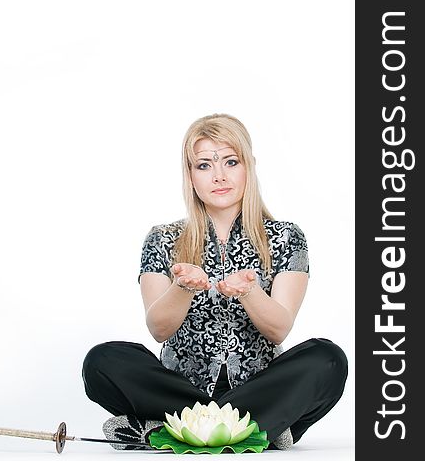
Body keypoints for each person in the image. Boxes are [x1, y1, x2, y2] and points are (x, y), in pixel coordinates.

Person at [82, 113, 348, 450]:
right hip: (180, 392)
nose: (219, 176)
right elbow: (158, 330)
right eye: (204, 165)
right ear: (190, 175)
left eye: (230, 162)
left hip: (258, 390)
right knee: (102, 361)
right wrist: (182, 289)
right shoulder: (163, 238)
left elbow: (278, 329)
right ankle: (257, 429)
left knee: (328, 359)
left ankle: (169, 430)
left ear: (248, 167)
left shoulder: (286, 237)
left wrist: (251, 292)